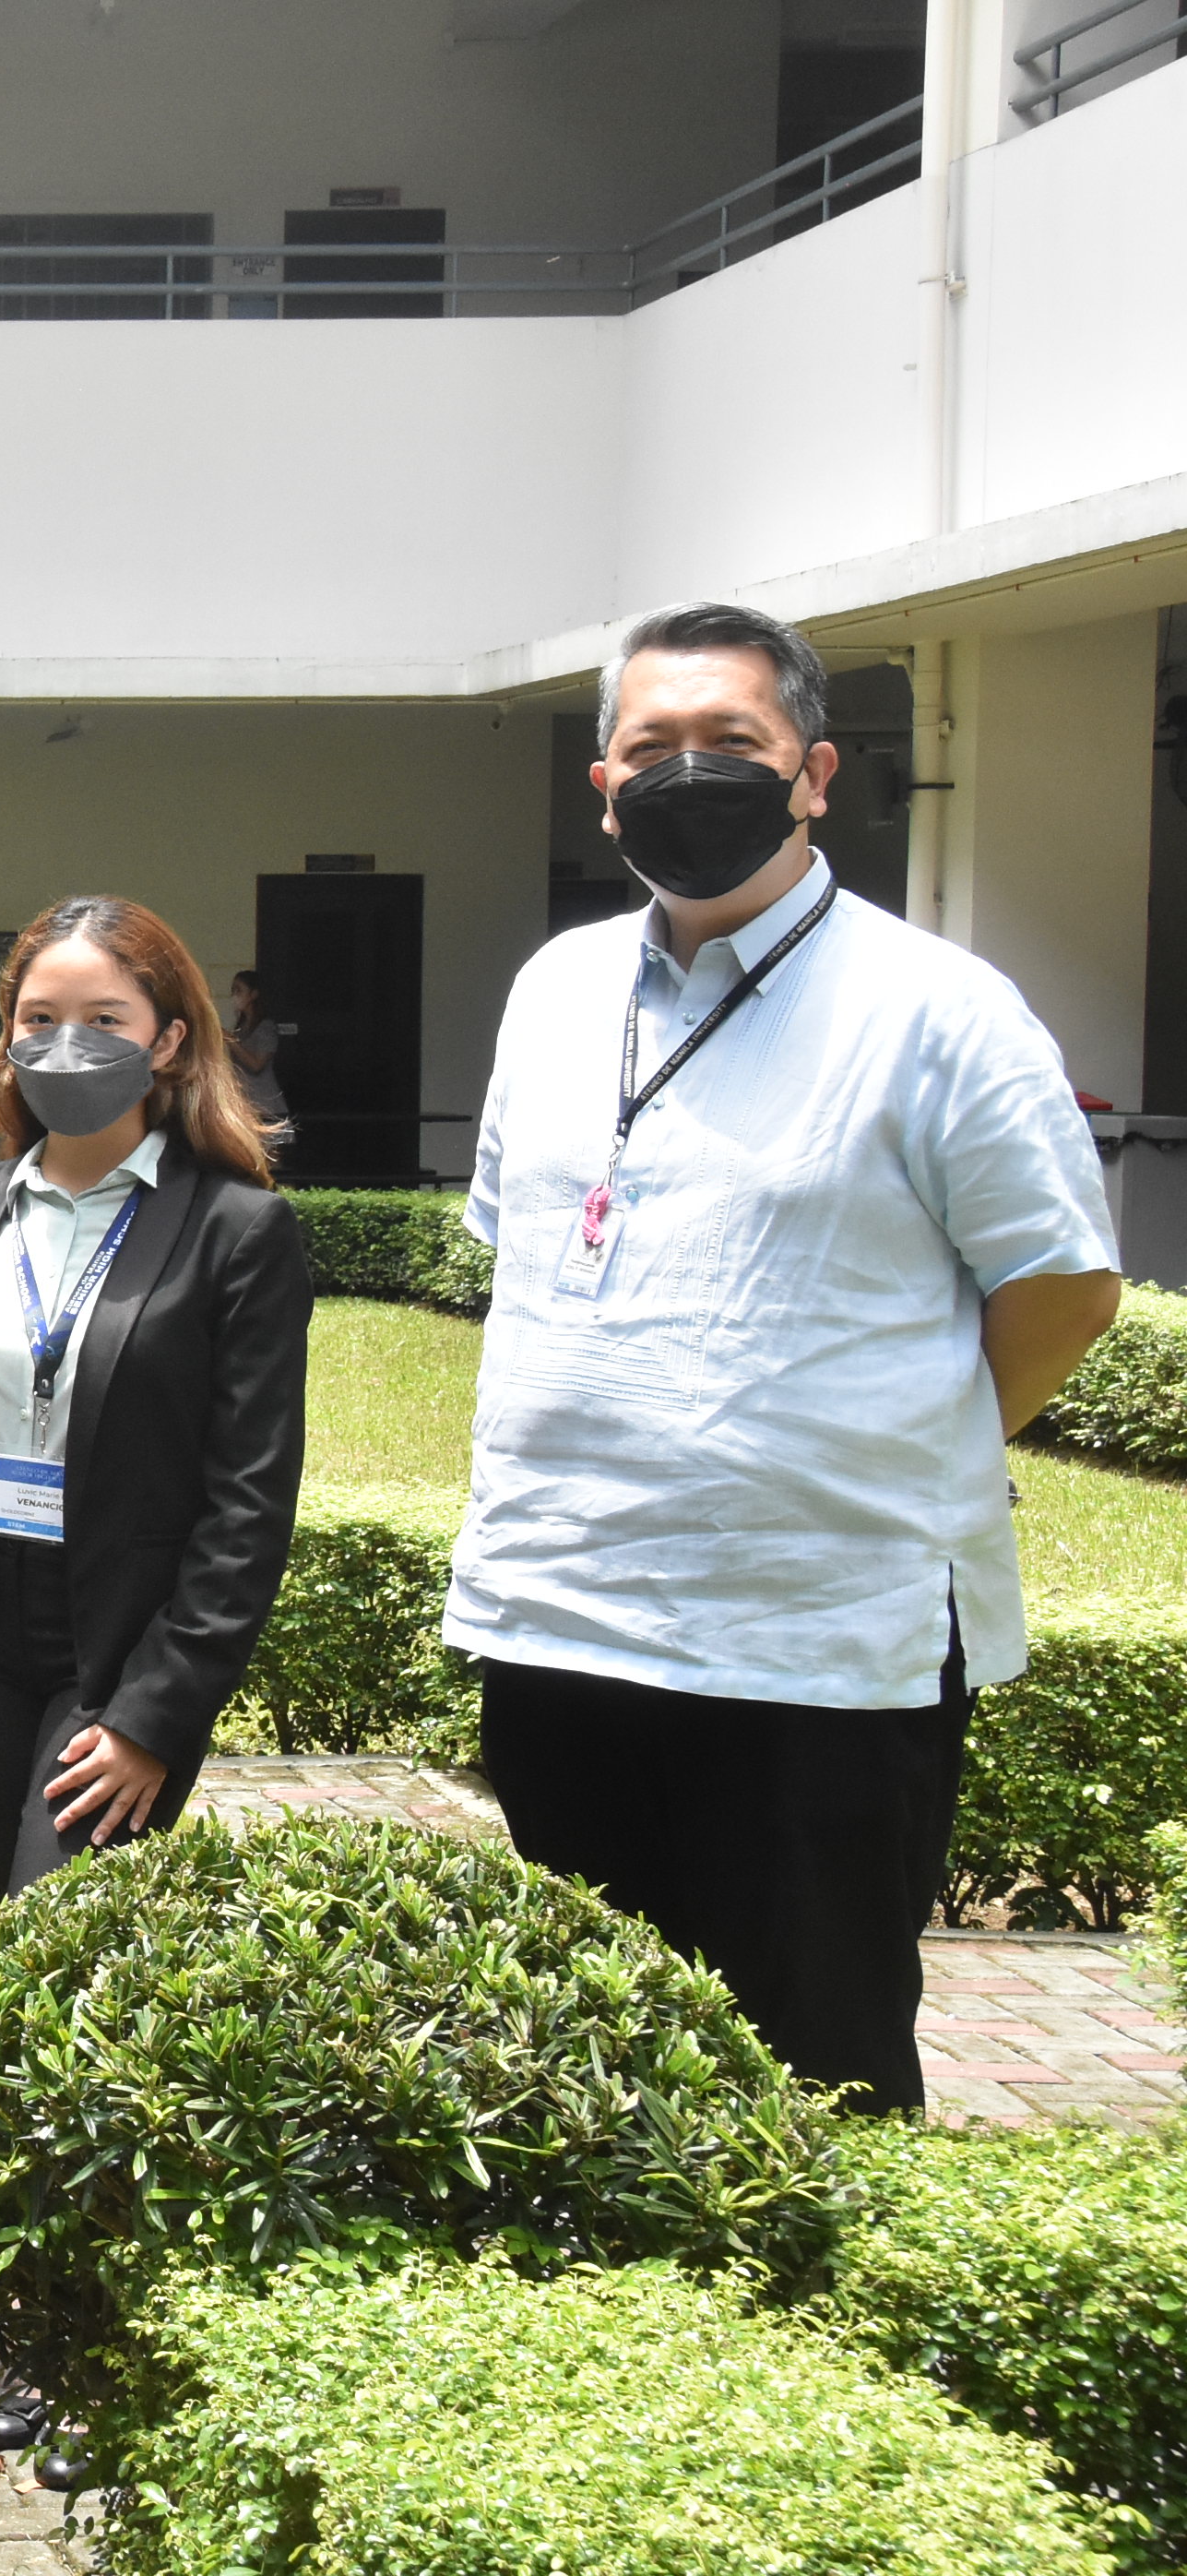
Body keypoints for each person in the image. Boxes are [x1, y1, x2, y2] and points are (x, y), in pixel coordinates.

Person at [453, 600, 1118, 2115]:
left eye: (731, 746)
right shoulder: (551, 993)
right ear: (603, 785)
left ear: (814, 772)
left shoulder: (937, 1011)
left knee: (811, 2080)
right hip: (563, 1623)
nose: (691, 776)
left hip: (816, 1650)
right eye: (652, 749)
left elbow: (1064, 1291)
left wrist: (914, 1441)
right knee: (591, 2084)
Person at [0, 896, 310, 1917]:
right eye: (38, 1018)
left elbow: (246, 1503)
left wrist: (157, 1713)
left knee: (53, 1932)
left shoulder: (236, 1230)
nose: (68, 1043)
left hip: (117, 1638)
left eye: (105, 1019)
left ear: (169, 1041)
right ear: (6, 1038)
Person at [225, 972, 291, 1154]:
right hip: (245, 1107)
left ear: (253, 994)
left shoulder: (265, 1028)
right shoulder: (240, 1028)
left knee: (272, 1164)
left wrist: (231, 1041)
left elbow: (256, 1064)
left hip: (267, 1107)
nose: (234, 996)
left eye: (238, 990)